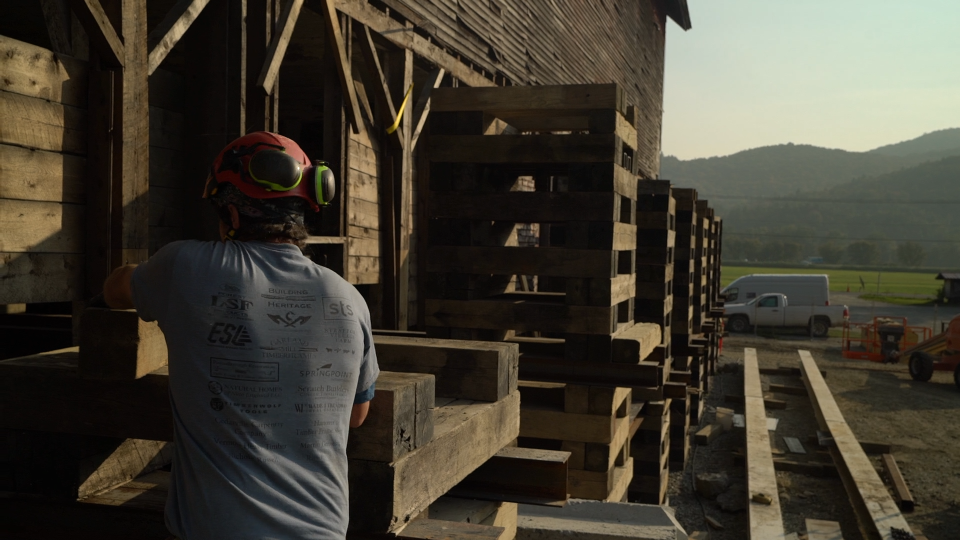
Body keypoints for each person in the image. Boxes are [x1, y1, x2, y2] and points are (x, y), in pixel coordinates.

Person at [101, 131, 379, 540]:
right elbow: (356, 416)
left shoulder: (185, 266)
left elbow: (115, 291)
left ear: (231, 216)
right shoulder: (349, 299)